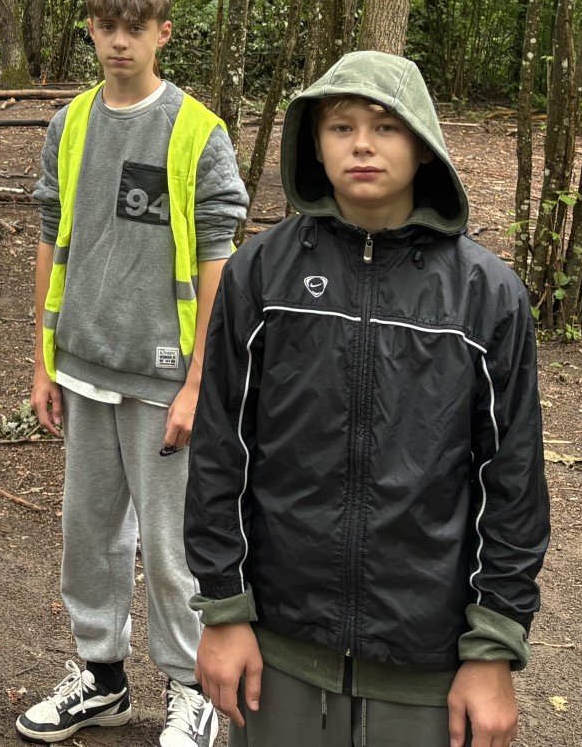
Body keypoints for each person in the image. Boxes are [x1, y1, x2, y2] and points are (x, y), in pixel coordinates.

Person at [186, 50, 547, 747]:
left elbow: (513, 480)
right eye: (340, 126)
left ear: (423, 144)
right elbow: (220, 450)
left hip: (427, 660)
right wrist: (224, 611)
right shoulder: (262, 273)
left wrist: (494, 648)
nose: (361, 145)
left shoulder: (485, 295)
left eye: (385, 127)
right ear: (314, 145)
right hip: (277, 645)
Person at [16, 0, 249, 747]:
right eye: (107, 28)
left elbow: (218, 257)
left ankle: (192, 687)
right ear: (90, 30)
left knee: (173, 543)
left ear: (162, 34)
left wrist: (198, 382)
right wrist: (43, 359)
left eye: (135, 29)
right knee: (89, 533)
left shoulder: (197, 131)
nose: (120, 42)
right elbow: (49, 233)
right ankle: (101, 677)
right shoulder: (70, 123)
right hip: (84, 362)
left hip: (163, 375)